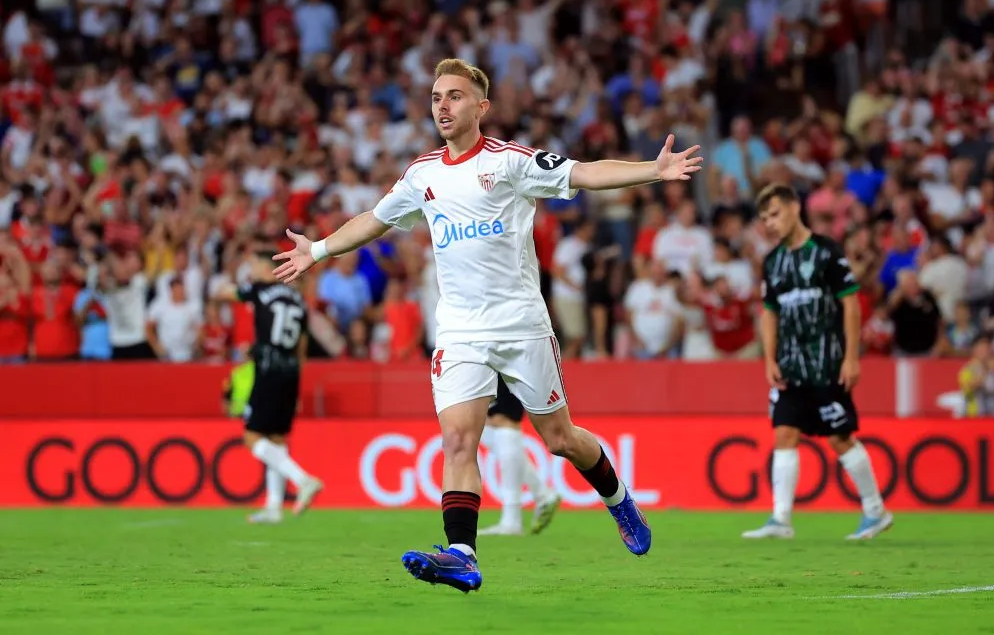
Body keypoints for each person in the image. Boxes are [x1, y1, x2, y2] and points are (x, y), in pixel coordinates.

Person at [272, 58, 703, 592]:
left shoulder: (511, 162)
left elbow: (584, 173)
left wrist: (652, 170)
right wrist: (316, 248)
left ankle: (619, 500)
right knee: (458, 440)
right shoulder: (422, 174)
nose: (442, 106)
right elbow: (374, 221)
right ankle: (462, 554)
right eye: (435, 97)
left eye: (454, 96)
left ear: (481, 107)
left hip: (521, 324)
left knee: (560, 438)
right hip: (459, 331)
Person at [744, 183, 893, 541]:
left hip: (827, 362)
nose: (771, 223)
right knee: (784, 431)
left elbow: (851, 303)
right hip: (790, 365)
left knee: (840, 438)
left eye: (776, 214)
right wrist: (769, 358)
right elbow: (769, 313)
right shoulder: (772, 261)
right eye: (765, 218)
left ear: (796, 207)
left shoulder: (826, 251)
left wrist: (851, 357)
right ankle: (781, 519)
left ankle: (875, 511)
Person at [215, 249, 322, 524]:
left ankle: (302, 479)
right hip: (290, 373)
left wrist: (229, 285)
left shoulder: (260, 289)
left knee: (252, 437)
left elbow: (225, 294)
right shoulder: (298, 300)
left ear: (266, 269)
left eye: (253, 265)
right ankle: (274, 507)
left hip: (268, 369)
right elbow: (302, 345)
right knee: (276, 439)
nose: (252, 270)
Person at [478, 376, 562, 536]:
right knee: (483, 427)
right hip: (491, 361)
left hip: (504, 358)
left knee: (504, 418)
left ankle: (512, 519)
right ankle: (542, 494)